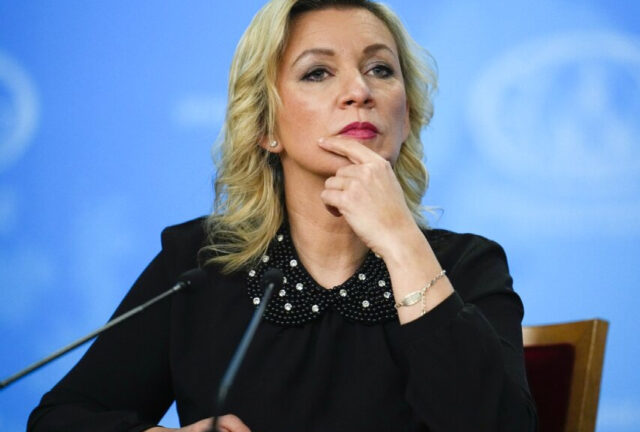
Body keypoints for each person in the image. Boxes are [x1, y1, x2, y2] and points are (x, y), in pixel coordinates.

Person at [28, 0, 537, 431]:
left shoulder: (467, 266)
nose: (360, 91)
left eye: (380, 69)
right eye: (318, 73)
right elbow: (59, 419)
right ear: (266, 126)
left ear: (406, 115)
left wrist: (403, 242)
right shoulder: (201, 265)